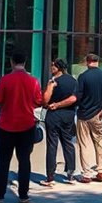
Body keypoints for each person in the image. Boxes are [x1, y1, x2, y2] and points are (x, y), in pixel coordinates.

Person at [0, 51, 43, 203]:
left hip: (6, 124)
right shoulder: (33, 81)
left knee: (3, 161)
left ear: (11, 62)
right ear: (25, 62)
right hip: (26, 124)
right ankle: (23, 195)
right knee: (24, 160)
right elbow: (38, 101)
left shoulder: (5, 80)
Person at [74, 53, 102, 183]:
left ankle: (86, 173)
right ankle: (101, 169)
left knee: (83, 143)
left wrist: (76, 106)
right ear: (97, 62)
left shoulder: (83, 77)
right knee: (99, 142)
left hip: (84, 114)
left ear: (87, 62)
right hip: (98, 114)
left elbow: (78, 96)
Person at [40, 58, 78, 187]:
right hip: (68, 115)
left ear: (59, 68)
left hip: (54, 115)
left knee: (52, 145)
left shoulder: (53, 81)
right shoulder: (73, 81)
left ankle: (50, 177)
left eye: (53, 66)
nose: (51, 67)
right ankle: (70, 174)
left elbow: (45, 100)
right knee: (68, 143)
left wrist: (54, 101)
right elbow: (74, 98)